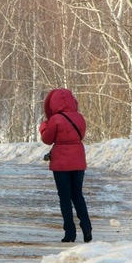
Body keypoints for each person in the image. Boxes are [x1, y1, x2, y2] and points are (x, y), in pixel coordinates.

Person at [39, 88, 92, 243]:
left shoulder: (55, 119)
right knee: (77, 195)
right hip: (78, 158)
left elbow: (47, 140)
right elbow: (81, 135)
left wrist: (43, 127)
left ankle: (70, 232)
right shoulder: (80, 117)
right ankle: (86, 226)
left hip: (61, 162)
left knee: (64, 197)